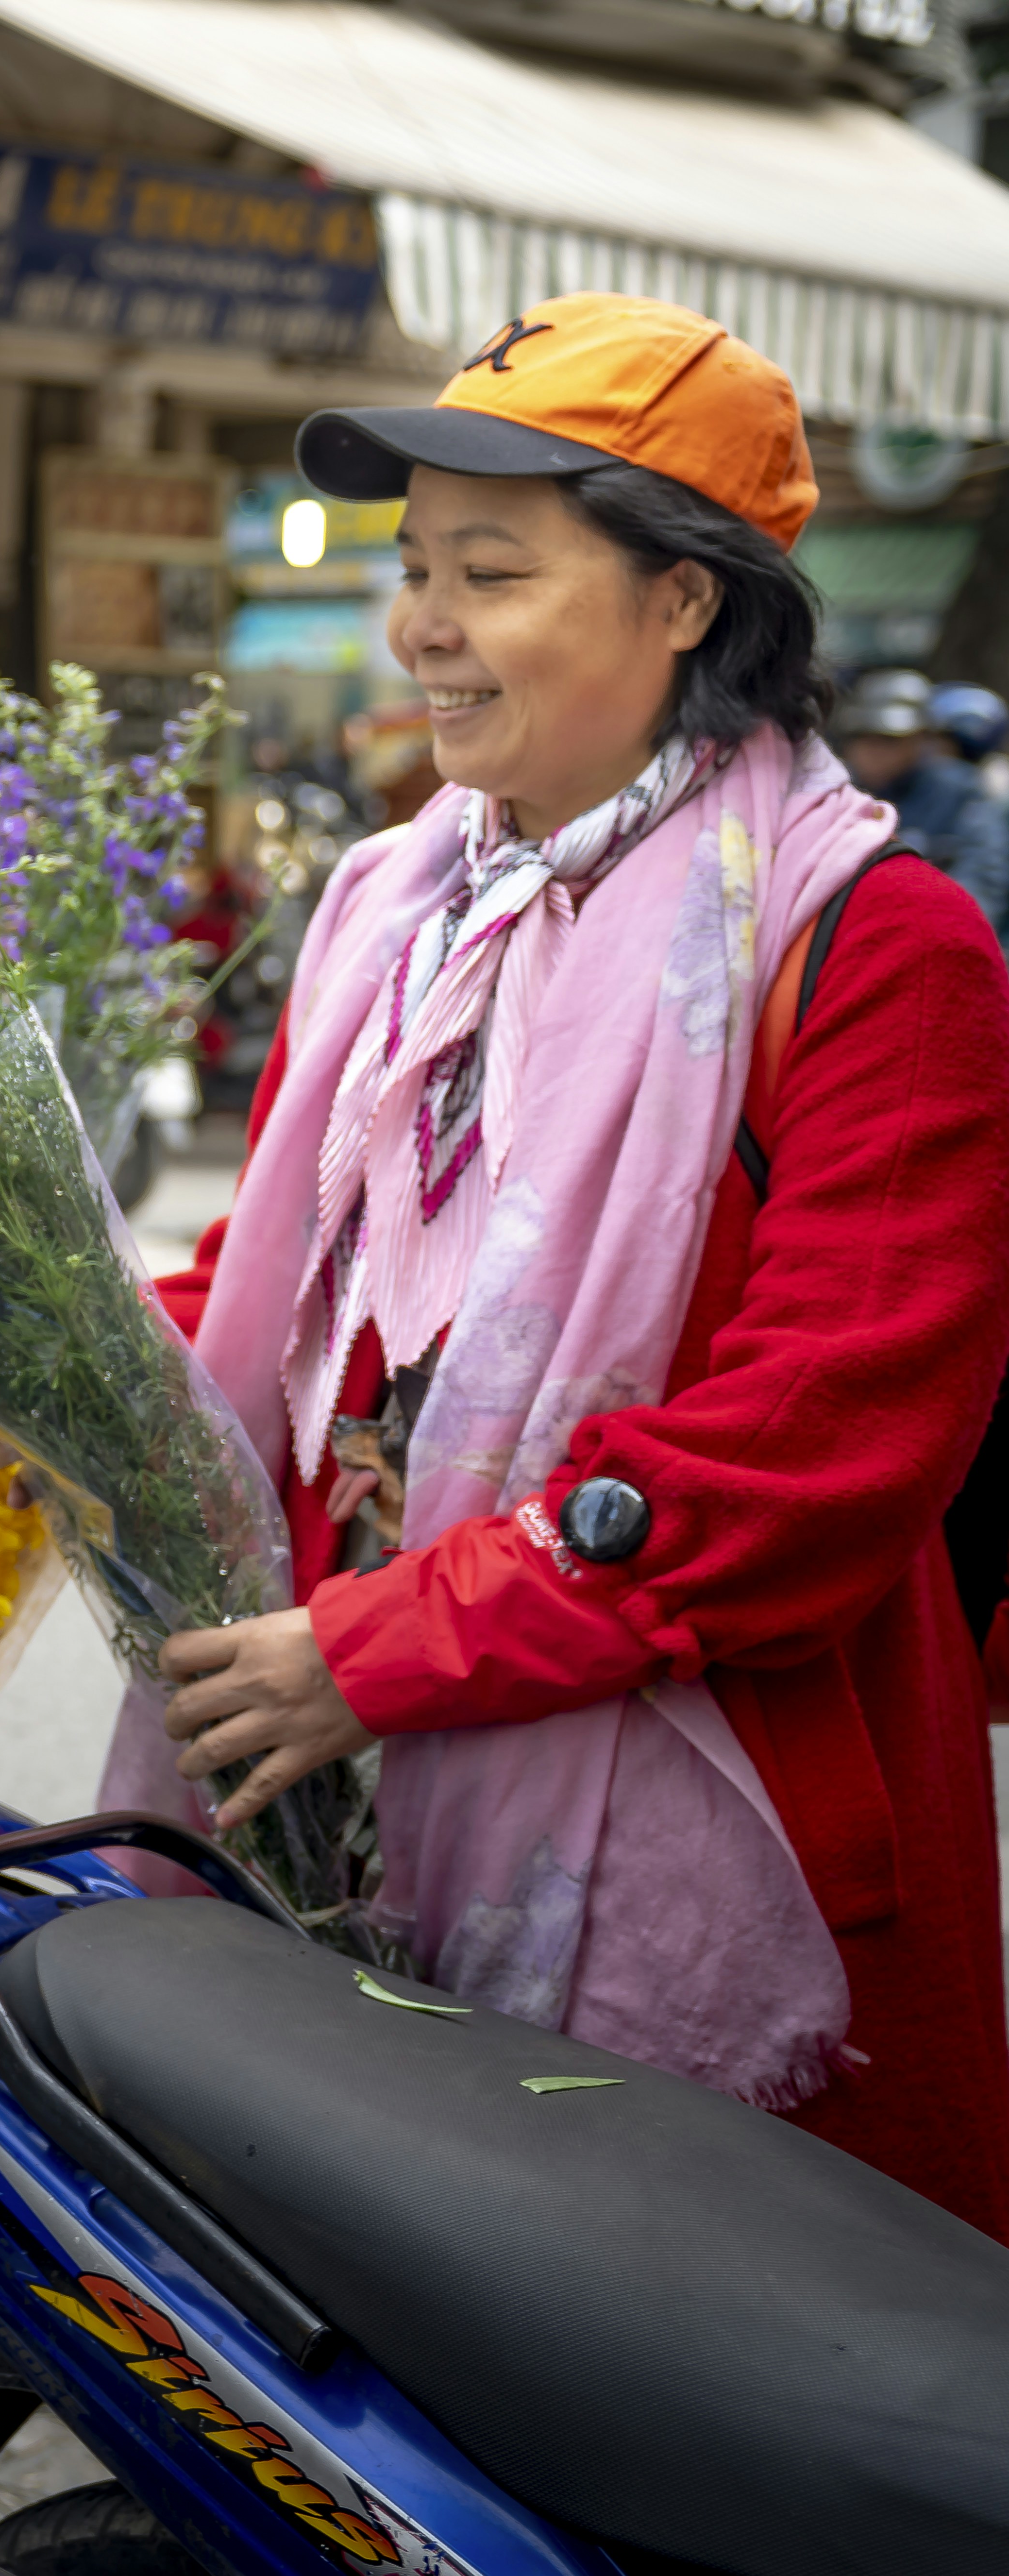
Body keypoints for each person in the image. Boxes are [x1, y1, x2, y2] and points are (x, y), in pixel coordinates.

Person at [115, 292, 1009, 2236]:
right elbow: (291, 1310)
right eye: (412, 568)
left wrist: (385, 1654)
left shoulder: (875, 946)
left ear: (684, 602)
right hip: (330, 1762)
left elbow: (812, 1445)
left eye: (487, 573)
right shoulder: (392, 908)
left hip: (698, 1798)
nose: (414, 627)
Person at [837, 667, 1009, 939]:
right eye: (863, 738)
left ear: (921, 740)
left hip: (938, 938)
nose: (873, 752)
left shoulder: (961, 791)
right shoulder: (837, 793)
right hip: (853, 938)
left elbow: (984, 882)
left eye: (889, 741)